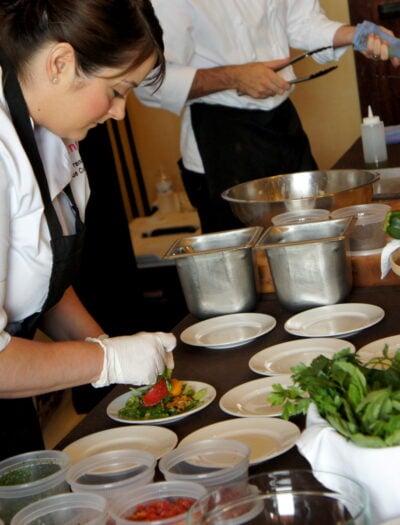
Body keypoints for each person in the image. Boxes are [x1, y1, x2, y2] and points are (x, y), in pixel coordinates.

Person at [0, 0, 176, 460]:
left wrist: (112, 352)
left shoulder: (58, 137)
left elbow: (45, 279)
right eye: (117, 90)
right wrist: (107, 361)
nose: (119, 113)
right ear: (60, 63)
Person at [134, 0, 400, 233]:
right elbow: (149, 81)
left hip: (283, 125)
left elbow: (302, 22)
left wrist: (355, 34)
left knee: (314, 235)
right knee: (248, 267)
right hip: (219, 138)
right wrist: (232, 76)